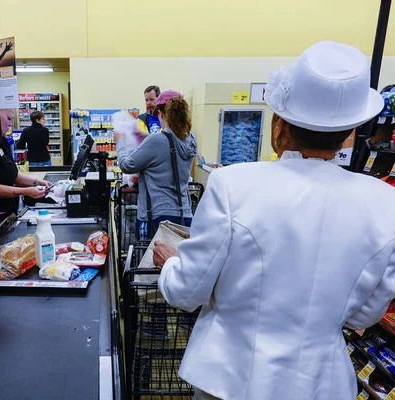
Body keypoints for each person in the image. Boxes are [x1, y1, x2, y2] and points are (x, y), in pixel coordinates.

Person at [152, 41, 394, 400]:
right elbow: (365, 315)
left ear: (280, 125)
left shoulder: (233, 184)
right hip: (320, 384)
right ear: (349, 133)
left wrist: (170, 263)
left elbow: (187, 292)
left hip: (231, 378)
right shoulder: (384, 202)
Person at [117, 90, 197, 239]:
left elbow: (127, 165)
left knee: (152, 262)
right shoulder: (191, 140)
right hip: (185, 215)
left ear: (162, 114)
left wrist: (120, 141)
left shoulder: (157, 141)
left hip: (158, 216)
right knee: (177, 261)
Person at [0, 108, 52, 219]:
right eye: (8, 118)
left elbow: (12, 174)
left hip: (11, 210)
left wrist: (37, 182)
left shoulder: (2, 141)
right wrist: (26, 191)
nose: (10, 124)